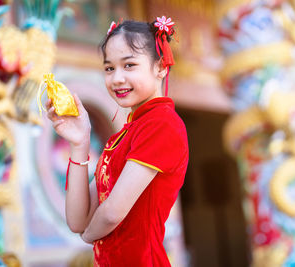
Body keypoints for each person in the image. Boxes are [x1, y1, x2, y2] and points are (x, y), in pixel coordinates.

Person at [45, 16, 189, 266]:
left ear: (161, 67)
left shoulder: (162, 124)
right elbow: (78, 219)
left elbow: (111, 213)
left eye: (129, 65)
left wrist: (88, 237)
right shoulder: (121, 137)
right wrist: (80, 143)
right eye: (109, 68)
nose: (117, 78)